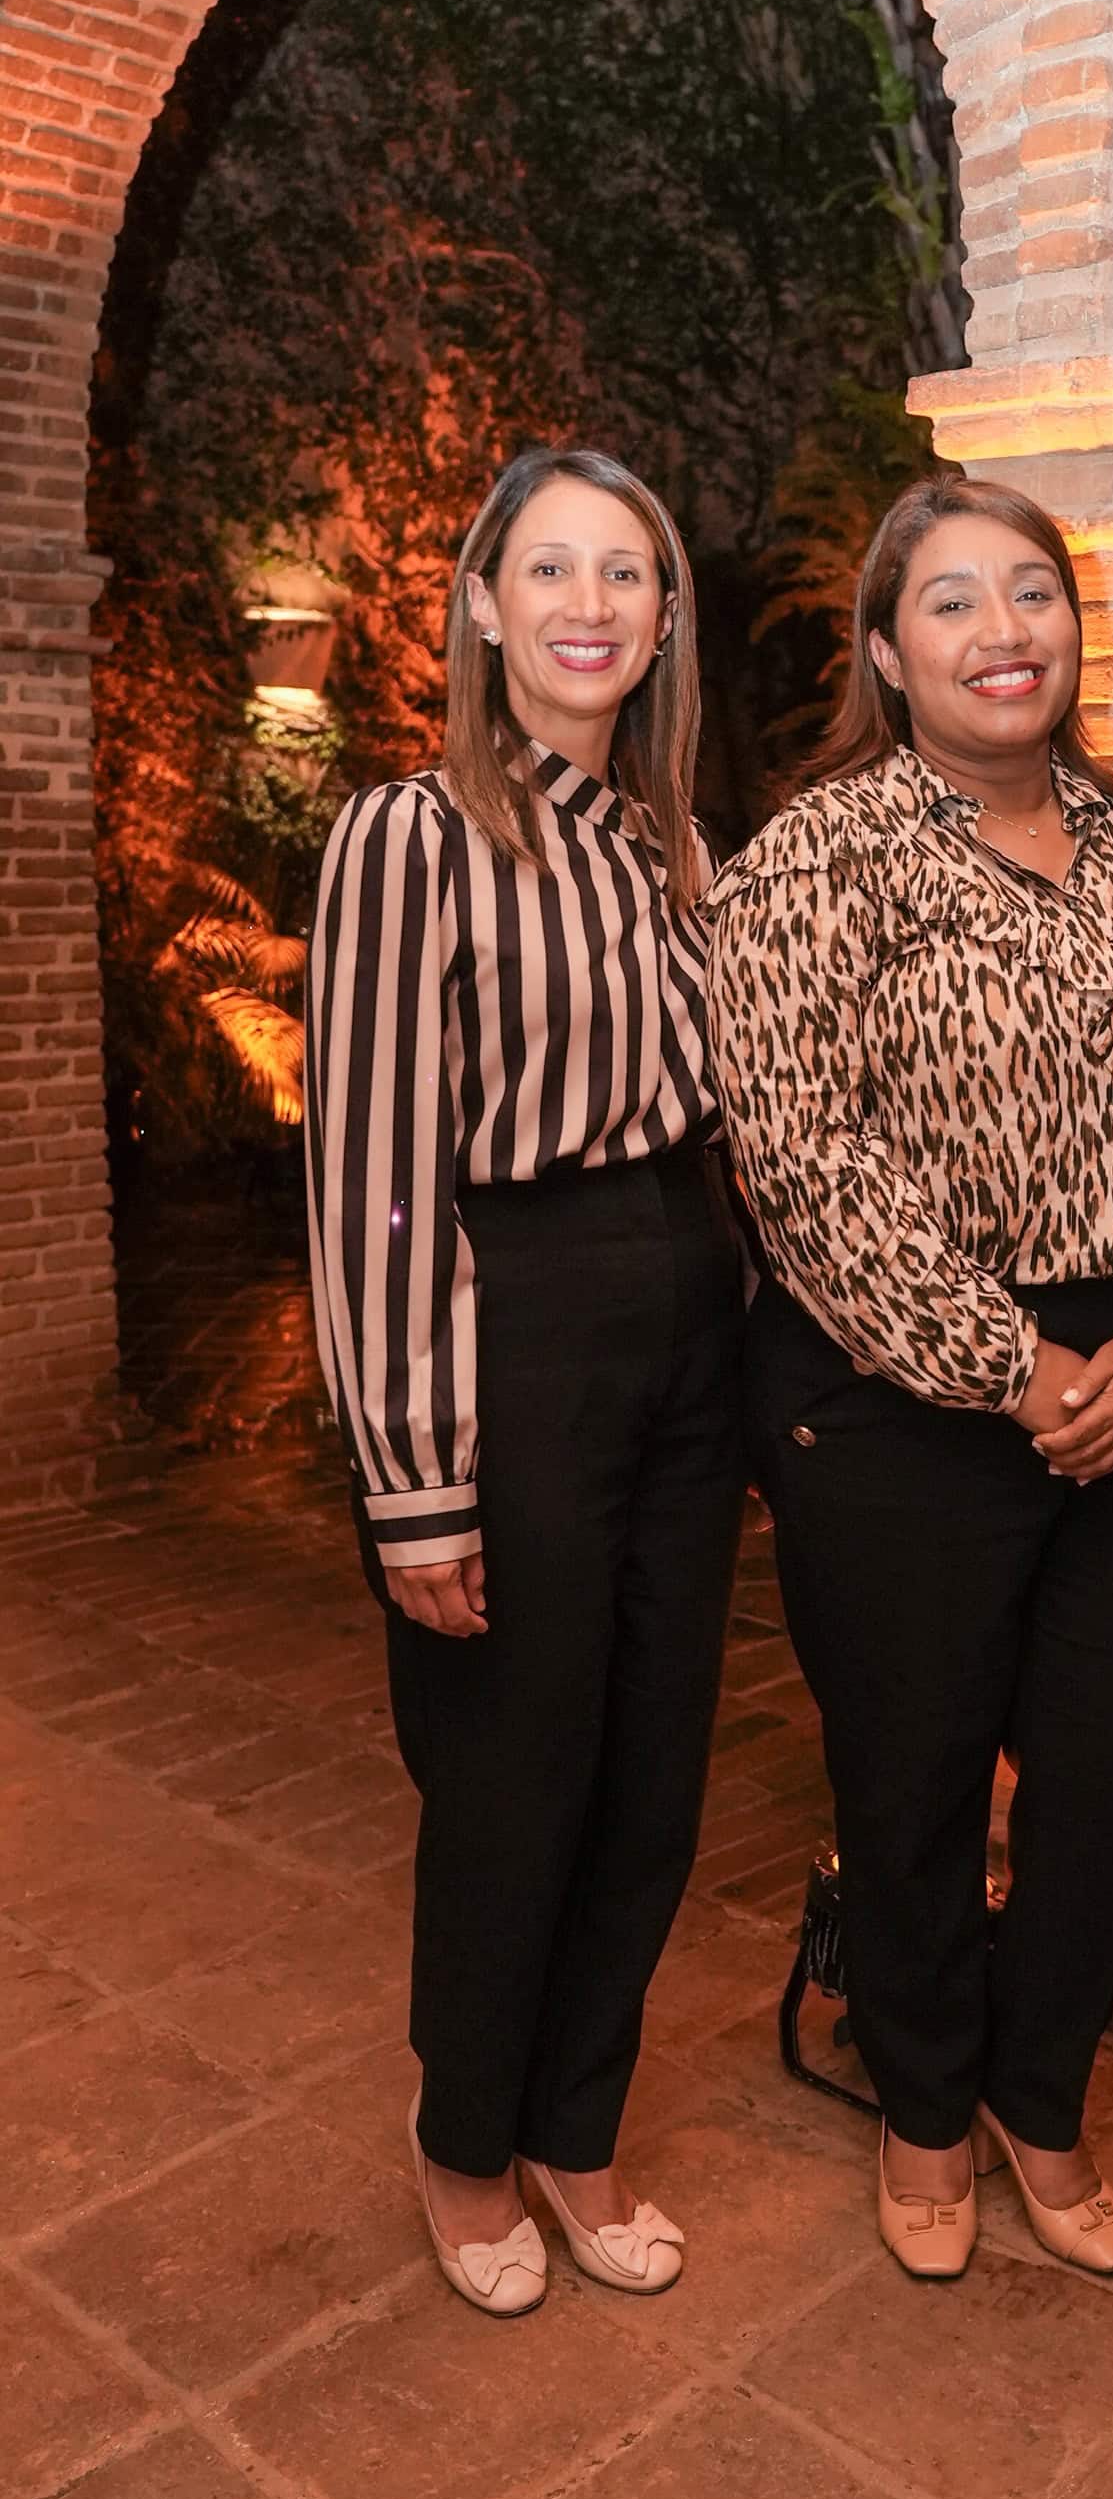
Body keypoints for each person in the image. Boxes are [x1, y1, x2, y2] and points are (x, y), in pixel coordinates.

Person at [706, 475, 1113, 2280]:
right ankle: (926, 2111)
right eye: (954, 604)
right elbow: (800, 1163)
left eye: (1034, 596)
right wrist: (1017, 1371)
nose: (1005, 632)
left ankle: (1042, 2101)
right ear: (885, 652)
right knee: (912, 1778)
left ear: (1076, 637)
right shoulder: (815, 860)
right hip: (894, 1388)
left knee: (1101, 1787)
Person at [305, 445, 745, 2317]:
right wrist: (413, 1478)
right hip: (518, 1317)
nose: (589, 605)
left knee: (653, 1770)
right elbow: (378, 1176)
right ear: (483, 607)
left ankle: (577, 2129)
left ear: (661, 617)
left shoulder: (663, 840)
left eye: (625, 574)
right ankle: (463, 2144)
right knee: (513, 1773)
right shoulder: (415, 835)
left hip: (685, 1317)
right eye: (549, 571)